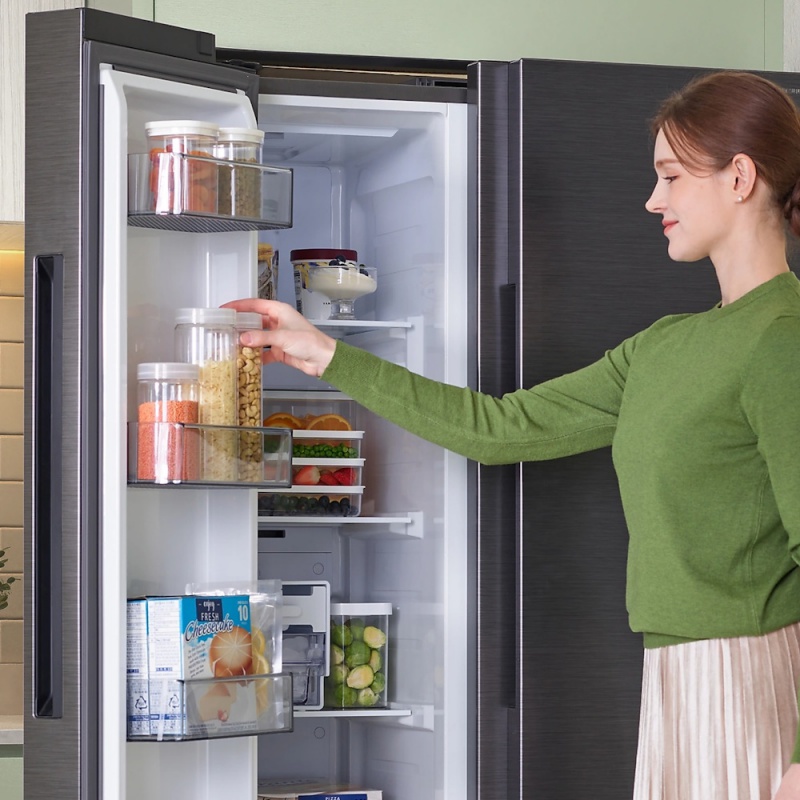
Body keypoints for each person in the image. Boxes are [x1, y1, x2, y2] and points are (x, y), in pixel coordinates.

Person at [225, 71, 800, 800]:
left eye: (671, 176)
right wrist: (327, 355)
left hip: (749, 679)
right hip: (675, 675)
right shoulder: (663, 347)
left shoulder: (781, 339)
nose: (654, 200)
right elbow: (498, 428)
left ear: (740, 177)